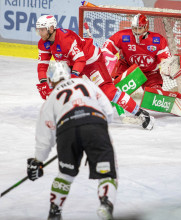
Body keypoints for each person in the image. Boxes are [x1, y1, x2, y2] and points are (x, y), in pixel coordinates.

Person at [27, 61, 117, 220]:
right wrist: (98, 131)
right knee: (107, 171)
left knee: (65, 173)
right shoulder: (85, 83)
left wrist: (38, 160)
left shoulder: (52, 97)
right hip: (95, 124)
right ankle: (106, 204)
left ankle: (54, 212)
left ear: (51, 80)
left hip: (67, 130)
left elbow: (45, 135)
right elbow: (108, 110)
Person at [35, 15, 154, 130]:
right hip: (71, 64)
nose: (40, 33)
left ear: (51, 28)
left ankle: (140, 113)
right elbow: (42, 65)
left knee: (108, 91)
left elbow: (80, 60)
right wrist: (43, 83)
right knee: (58, 86)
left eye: (42, 29)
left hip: (91, 61)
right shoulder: (43, 43)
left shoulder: (66, 39)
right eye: (38, 30)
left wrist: (73, 77)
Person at [102, 13, 181, 91]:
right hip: (127, 68)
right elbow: (107, 48)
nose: (137, 31)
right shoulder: (122, 36)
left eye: (140, 28)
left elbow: (164, 58)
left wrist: (167, 67)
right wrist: (106, 56)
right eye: (135, 28)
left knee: (154, 93)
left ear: (146, 27)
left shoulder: (157, 40)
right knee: (115, 91)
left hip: (150, 73)